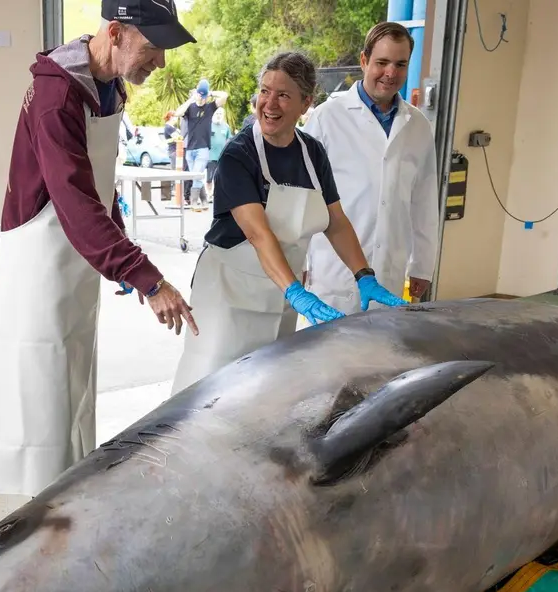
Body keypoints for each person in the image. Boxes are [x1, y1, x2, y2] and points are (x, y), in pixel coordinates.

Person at [0, 1, 199, 497]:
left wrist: (121, 249)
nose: (160, 63)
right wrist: (146, 277)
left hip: (71, 266)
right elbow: (75, 202)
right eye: (153, 49)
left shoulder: (108, 87)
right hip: (38, 272)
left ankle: (65, 514)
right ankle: (36, 534)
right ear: (117, 32)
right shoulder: (57, 94)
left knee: (74, 399)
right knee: (41, 414)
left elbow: (98, 186)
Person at [170, 51, 406, 395]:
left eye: (283, 95)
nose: (270, 104)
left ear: (306, 103)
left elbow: (335, 221)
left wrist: (364, 276)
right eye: (265, 91)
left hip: (280, 295)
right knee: (209, 390)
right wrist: (297, 293)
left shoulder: (312, 152)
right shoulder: (239, 154)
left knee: (264, 392)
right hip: (230, 294)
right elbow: (257, 233)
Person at [302, 21, 440, 312]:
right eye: (382, 62)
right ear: (364, 61)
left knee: (383, 353)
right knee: (329, 354)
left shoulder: (418, 126)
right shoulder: (328, 118)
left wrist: (423, 265)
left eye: (400, 64)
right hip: (333, 271)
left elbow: (425, 201)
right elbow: (304, 195)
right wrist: (299, 260)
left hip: (390, 269)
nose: (391, 73)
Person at [176, 79, 218, 207]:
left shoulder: (210, 107)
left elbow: (224, 96)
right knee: (197, 176)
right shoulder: (191, 108)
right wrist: (191, 99)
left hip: (203, 147)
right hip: (190, 148)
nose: (202, 99)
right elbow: (178, 113)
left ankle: (194, 201)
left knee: (196, 174)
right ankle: (204, 200)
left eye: (203, 96)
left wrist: (210, 93)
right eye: (201, 96)